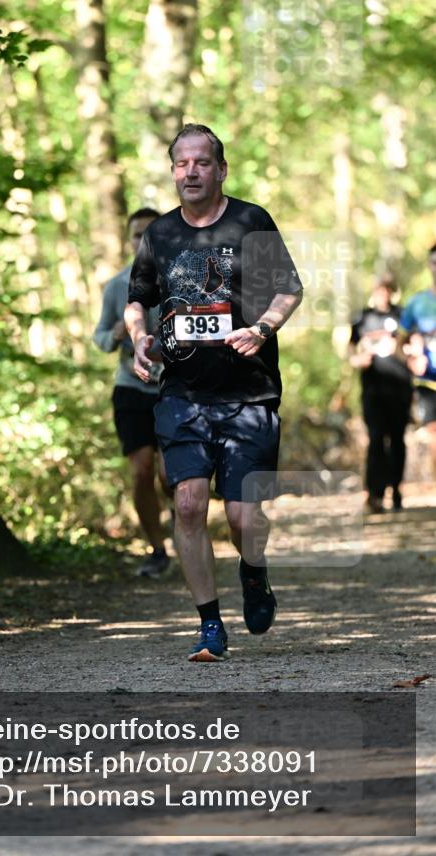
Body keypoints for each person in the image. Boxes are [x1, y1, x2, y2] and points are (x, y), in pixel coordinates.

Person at [125, 123, 303, 661]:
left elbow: (289, 289)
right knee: (187, 505)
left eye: (202, 162)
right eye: (182, 163)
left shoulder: (252, 221)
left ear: (221, 169)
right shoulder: (159, 233)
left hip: (249, 395)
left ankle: (253, 572)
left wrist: (263, 328)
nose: (192, 172)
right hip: (182, 395)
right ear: (173, 171)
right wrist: (138, 339)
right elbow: (137, 300)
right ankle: (209, 624)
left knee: (244, 517)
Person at [94, 208, 171, 578]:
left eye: (150, 233)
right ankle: (157, 549)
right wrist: (116, 334)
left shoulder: (181, 281)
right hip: (130, 388)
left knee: (171, 475)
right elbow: (100, 337)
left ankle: (185, 524)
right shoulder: (116, 286)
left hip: (173, 389)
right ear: (128, 240)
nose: (143, 241)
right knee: (141, 472)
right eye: (137, 235)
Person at [349, 275, 413, 512]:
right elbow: (351, 346)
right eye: (379, 290)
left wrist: (402, 349)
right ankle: (375, 493)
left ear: (391, 292)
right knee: (375, 438)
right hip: (373, 388)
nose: (382, 295)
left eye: (386, 290)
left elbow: (412, 343)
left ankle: (396, 489)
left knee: (397, 439)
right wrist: (357, 359)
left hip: (399, 386)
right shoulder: (362, 317)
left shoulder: (402, 315)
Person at [400, 244, 436, 476]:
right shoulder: (418, 303)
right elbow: (399, 342)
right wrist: (412, 357)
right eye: (434, 262)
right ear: (429, 265)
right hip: (427, 382)